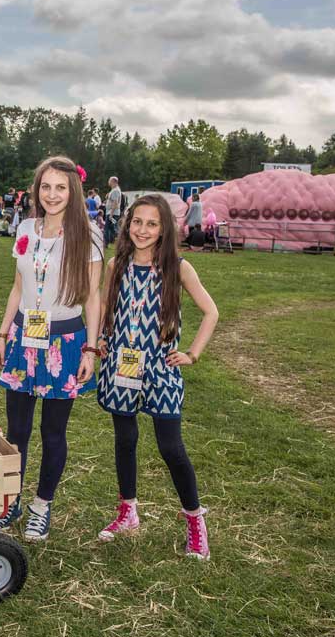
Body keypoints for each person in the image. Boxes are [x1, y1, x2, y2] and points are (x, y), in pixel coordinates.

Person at [96, 194, 219, 560]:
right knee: (125, 439)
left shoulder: (178, 268)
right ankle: (128, 512)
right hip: (122, 364)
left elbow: (211, 312)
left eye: (152, 224)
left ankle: (195, 521)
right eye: (137, 222)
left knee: (170, 447)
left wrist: (192, 354)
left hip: (161, 368)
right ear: (127, 224)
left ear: (164, 228)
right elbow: (106, 306)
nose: (143, 230)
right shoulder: (117, 264)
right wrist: (102, 336)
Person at [0, 156, 103, 540]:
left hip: (66, 342)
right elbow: (19, 287)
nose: (52, 194)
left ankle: (42, 505)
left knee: (53, 432)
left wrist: (91, 348)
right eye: (45, 186)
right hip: (24, 339)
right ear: (36, 189)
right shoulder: (25, 227)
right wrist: (3, 332)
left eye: (60, 187)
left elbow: (92, 297)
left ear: (73, 190)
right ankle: (11, 501)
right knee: (17, 431)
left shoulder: (88, 235)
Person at [105, 176, 122, 246]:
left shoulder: (115, 191)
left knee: (111, 228)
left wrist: (111, 214)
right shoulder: (114, 190)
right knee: (112, 228)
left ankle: (107, 242)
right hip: (112, 213)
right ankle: (110, 241)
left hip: (112, 213)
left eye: (109, 181)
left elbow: (115, 203)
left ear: (113, 182)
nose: (108, 182)